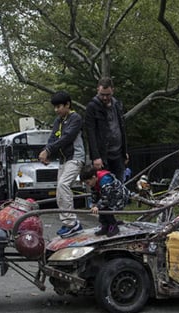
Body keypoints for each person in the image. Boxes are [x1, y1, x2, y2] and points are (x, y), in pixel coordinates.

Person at [38, 91, 86, 238]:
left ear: (67, 105)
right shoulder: (58, 121)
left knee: (63, 185)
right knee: (59, 191)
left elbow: (67, 137)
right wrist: (47, 152)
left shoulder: (75, 118)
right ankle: (67, 223)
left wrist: (49, 150)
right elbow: (53, 138)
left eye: (59, 106)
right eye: (55, 107)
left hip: (75, 158)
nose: (56, 110)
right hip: (63, 160)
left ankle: (73, 223)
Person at [84, 77, 128, 182]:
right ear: (97, 90)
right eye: (102, 94)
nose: (104, 97)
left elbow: (121, 128)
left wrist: (124, 151)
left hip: (118, 154)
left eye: (107, 95)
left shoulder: (117, 105)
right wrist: (95, 157)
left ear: (113, 90)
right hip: (103, 156)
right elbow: (90, 133)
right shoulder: (92, 107)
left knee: (119, 185)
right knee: (104, 186)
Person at [80, 165, 130, 237]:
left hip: (119, 197)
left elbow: (106, 197)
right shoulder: (94, 181)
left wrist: (97, 206)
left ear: (93, 177)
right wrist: (94, 203)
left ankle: (113, 225)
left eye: (88, 182)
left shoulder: (105, 180)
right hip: (109, 197)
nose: (88, 185)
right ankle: (105, 225)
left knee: (106, 209)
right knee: (102, 209)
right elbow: (94, 192)